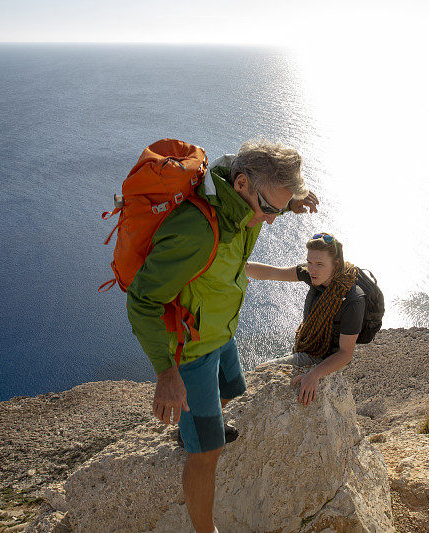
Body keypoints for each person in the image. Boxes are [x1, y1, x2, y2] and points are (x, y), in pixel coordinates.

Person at [126, 140, 318, 533]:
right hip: (191, 349)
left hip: (219, 330)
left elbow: (260, 215)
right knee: (208, 452)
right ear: (243, 184)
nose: (272, 220)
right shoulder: (196, 231)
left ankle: (193, 427)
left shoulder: (242, 204)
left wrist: (288, 201)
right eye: (270, 209)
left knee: (233, 385)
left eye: (280, 210)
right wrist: (166, 374)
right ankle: (203, 521)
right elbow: (141, 300)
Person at [246, 233, 364, 405]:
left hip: (322, 360)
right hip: (308, 350)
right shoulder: (315, 275)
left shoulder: (353, 300)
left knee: (260, 373)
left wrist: (314, 374)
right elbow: (273, 272)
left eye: (319, 264)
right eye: (309, 262)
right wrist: (238, 266)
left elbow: (346, 354)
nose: (312, 270)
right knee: (260, 372)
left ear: (336, 264)